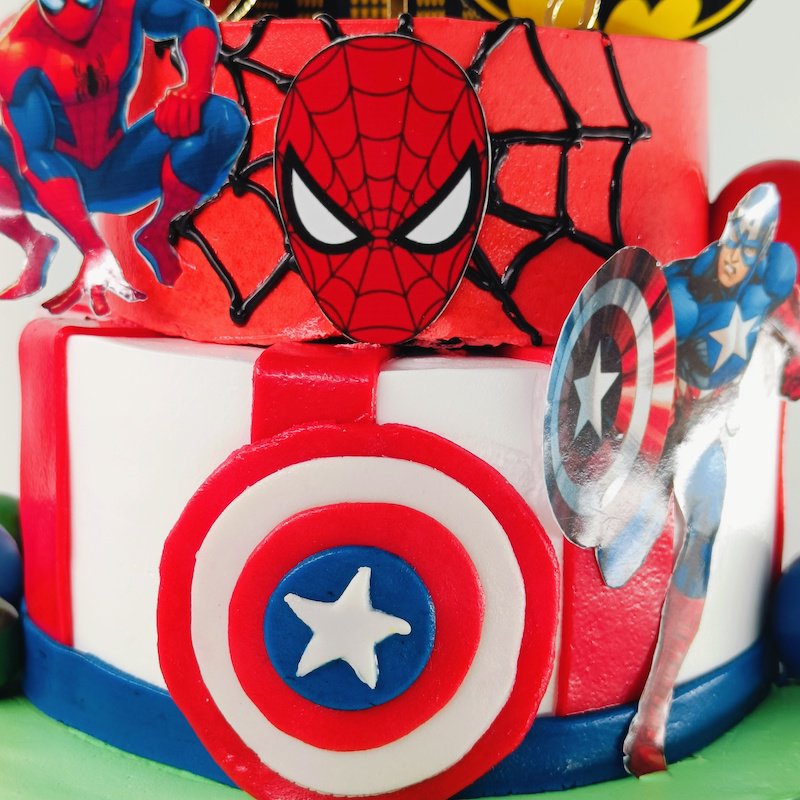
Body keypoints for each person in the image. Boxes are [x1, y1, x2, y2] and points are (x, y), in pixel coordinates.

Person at [623, 183, 800, 775]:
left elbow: (786, 312)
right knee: (631, 545)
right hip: (655, 433)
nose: (737, 252)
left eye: (751, 242)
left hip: (707, 433)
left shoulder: (773, 274)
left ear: (764, 246)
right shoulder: (682, 291)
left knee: (703, 533)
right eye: (734, 235)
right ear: (726, 229)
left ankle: (654, 713)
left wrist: (793, 355)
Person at [0, 0, 247, 314]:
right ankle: (33, 242)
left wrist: (195, 89)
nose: (73, 9)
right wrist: (92, 247)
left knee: (223, 119)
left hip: (121, 168)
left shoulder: (127, 6)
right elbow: (36, 157)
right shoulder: (17, 51)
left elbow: (194, 14)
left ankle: (157, 230)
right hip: (53, 185)